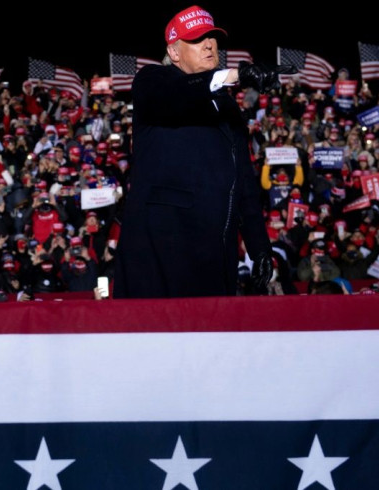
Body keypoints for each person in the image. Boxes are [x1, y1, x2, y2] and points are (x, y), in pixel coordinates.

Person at [114, 5, 293, 298]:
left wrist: (259, 246)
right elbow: (180, 95)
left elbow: (243, 179)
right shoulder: (152, 80)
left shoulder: (227, 105)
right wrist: (234, 74)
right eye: (197, 39)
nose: (209, 44)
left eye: (212, 38)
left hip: (216, 255)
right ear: (174, 52)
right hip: (160, 254)